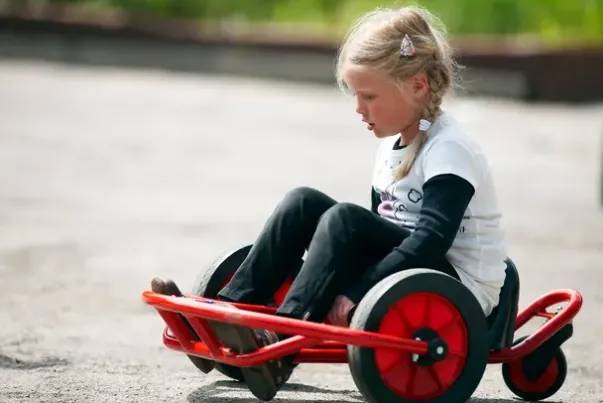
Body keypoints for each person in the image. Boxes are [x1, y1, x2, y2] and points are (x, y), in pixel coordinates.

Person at [152, 4, 508, 401]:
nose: (359, 108)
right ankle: (225, 314)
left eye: (369, 96)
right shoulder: (392, 146)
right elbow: (381, 226)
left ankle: (280, 344)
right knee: (302, 202)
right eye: (357, 95)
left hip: (455, 285)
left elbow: (431, 240)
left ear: (417, 86)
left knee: (345, 220)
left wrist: (358, 289)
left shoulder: (449, 148)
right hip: (408, 266)